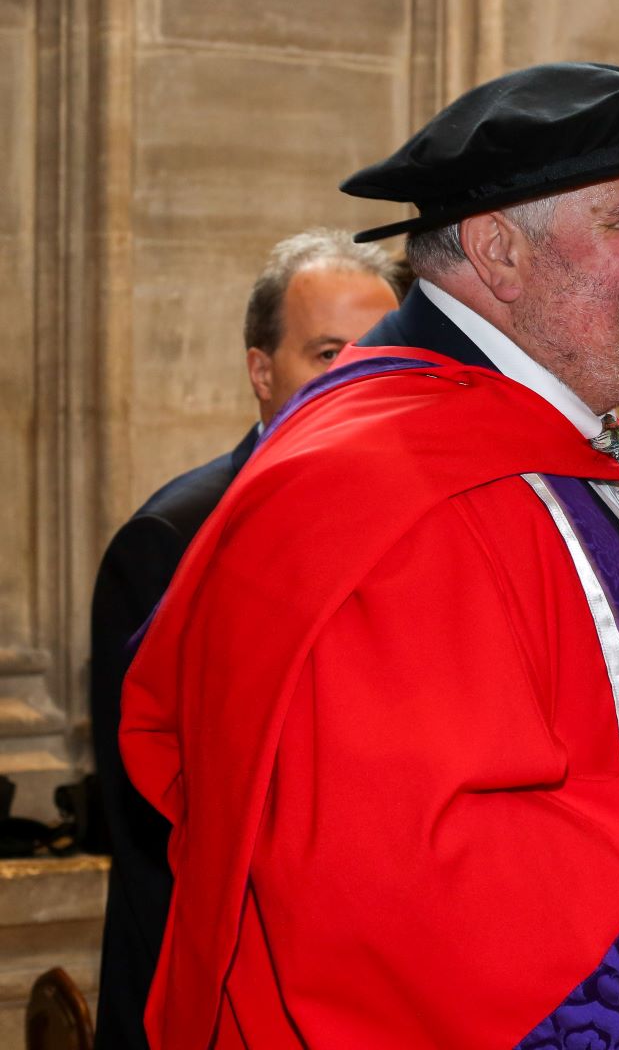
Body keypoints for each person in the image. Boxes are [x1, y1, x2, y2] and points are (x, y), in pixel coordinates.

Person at [118, 62, 619, 1050]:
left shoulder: (541, 434)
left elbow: (605, 710)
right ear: (500, 249)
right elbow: (398, 877)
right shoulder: (383, 488)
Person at [90, 230, 402, 1050]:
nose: (352, 377)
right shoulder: (172, 536)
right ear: (262, 372)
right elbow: (157, 817)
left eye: (375, 352)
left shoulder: (410, 523)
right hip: (209, 985)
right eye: (326, 351)